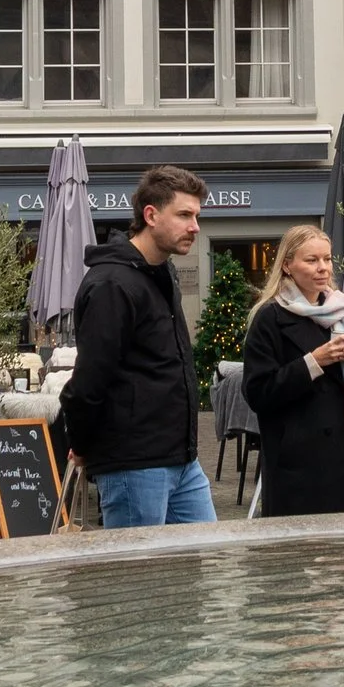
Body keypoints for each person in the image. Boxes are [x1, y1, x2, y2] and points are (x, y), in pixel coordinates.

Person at [61, 165, 214, 529]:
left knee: (201, 565)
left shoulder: (161, 274)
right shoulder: (113, 283)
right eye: (184, 215)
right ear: (151, 215)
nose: (194, 226)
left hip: (183, 461)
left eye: (196, 215)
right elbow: (88, 384)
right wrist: (82, 445)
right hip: (134, 464)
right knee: (139, 580)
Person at [240, 225, 344, 517]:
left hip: (343, 456)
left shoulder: (343, 311)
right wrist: (314, 362)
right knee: (300, 554)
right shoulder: (269, 318)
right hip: (295, 461)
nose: (322, 268)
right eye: (311, 260)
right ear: (287, 265)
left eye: (327, 259)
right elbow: (258, 392)